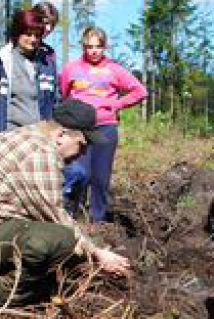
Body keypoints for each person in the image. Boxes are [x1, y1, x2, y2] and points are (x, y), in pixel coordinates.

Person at [0, 99, 131, 306]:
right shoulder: (40, 154)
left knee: (50, 241)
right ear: (61, 136)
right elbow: (56, 218)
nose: (84, 153)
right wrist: (97, 253)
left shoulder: (27, 137)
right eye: (83, 144)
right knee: (60, 240)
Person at [60, 26, 148, 222]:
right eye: (89, 46)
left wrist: (116, 104)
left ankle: (97, 220)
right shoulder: (71, 68)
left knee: (100, 177)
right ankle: (73, 216)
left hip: (105, 128)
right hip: (78, 129)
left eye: (98, 47)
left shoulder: (114, 69)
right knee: (79, 173)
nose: (94, 51)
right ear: (83, 46)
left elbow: (140, 91)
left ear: (104, 47)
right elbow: (65, 94)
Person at [0, 4, 60, 132]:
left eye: (37, 35)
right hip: (11, 134)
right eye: (28, 34)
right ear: (18, 33)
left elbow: (55, 100)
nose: (33, 39)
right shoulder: (1, 61)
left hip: (41, 134)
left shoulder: (48, 62)